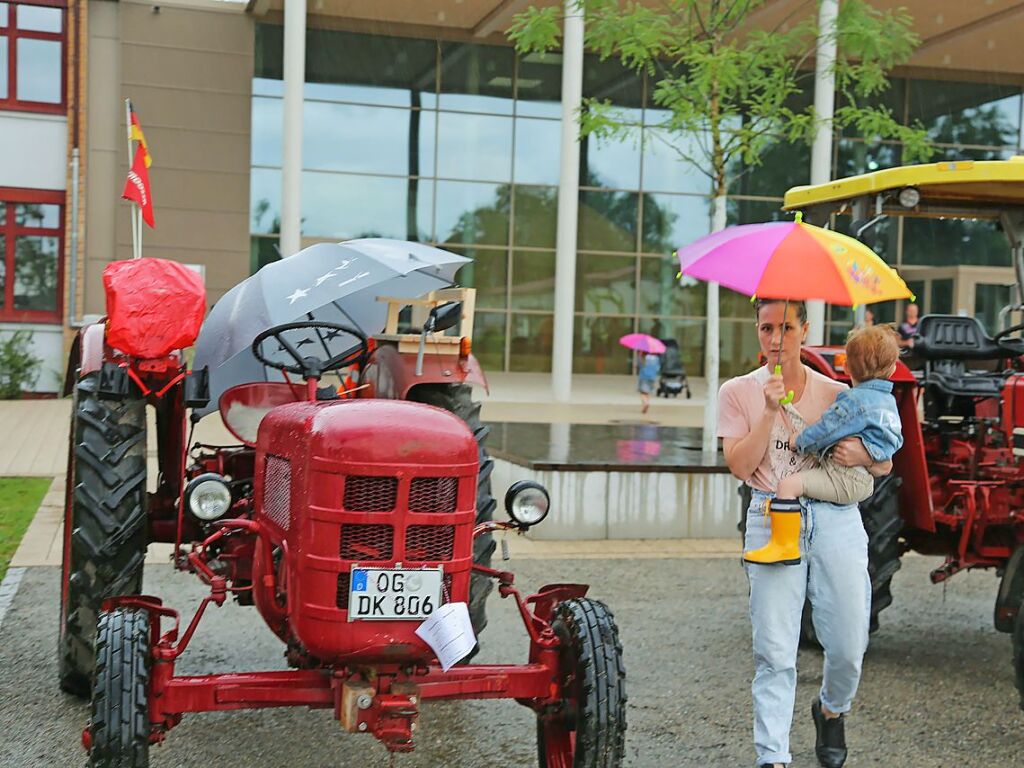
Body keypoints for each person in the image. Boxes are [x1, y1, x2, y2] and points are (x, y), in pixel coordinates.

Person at [717, 298, 894, 768]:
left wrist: (861, 458)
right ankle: (773, 757)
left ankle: (831, 709)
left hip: (835, 516)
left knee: (850, 643)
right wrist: (769, 411)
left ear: (804, 330)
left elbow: (884, 459)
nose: (776, 340)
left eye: (787, 328)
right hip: (771, 513)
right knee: (775, 649)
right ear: (757, 331)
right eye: (766, 328)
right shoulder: (736, 391)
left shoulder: (838, 392)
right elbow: (739, 464)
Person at [744, 324, 904, 566]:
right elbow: (895, 442)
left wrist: (800, 441)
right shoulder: (889, 403)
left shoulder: (853, 401)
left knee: (787, 486)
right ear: (892, 370)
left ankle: (784, 546)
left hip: (844, 477)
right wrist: (871, 455)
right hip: (866, 479)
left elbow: (826, 430)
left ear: (846, 367)